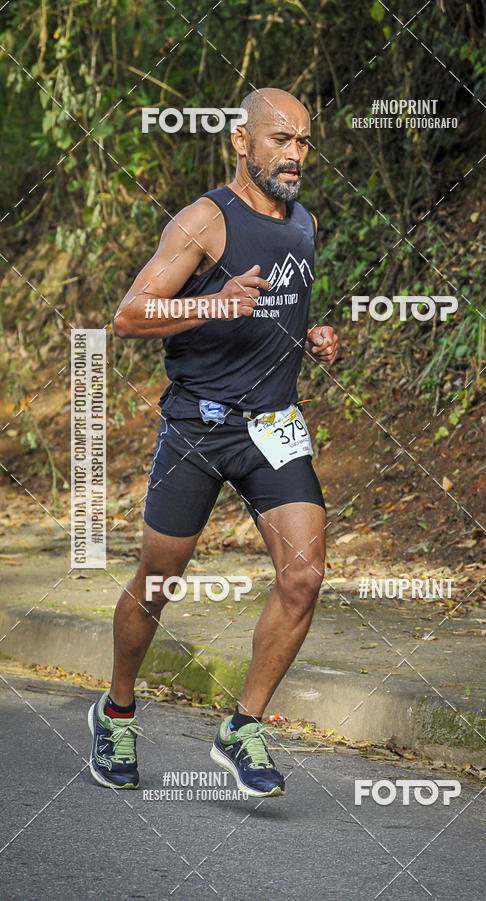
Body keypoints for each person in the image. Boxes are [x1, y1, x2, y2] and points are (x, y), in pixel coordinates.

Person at [88, 87, 339, 798]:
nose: (293, 155)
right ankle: (117, 709)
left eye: (303, 143)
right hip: (198, 425)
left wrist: (311, 335)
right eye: (279, 139)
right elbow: (130, 315)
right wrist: (211, 302)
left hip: (272, 424)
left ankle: (244, 724)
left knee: (305, 573)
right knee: (158, 584)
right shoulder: (206, 220)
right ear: (241, 141)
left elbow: (283, 303)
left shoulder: (303, 224)